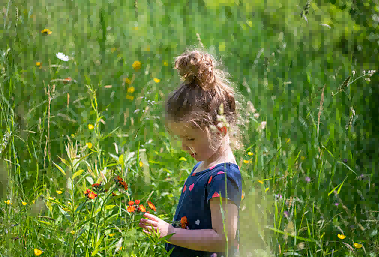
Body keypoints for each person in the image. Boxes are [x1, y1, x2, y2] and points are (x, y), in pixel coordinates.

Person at [138, 49, 243, 257]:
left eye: (191, 139)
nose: (184, 147)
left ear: (220, 129)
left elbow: (223, 239)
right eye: (181, 139)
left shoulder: (223, 178)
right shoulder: (204, 167)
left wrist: (170, 233)